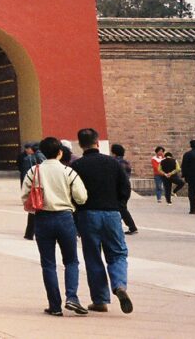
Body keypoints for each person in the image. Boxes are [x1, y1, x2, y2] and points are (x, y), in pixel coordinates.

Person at [21, 136, 89, 317]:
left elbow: (24, 197)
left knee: (48, 264)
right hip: (65, 218)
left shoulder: (33, 171)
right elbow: (82, 197)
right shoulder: (68, 171)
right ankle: (72, 297)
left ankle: (55, 305)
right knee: (71, 261)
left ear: (42, 152)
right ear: (60, 152)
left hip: (42, 220)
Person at [70, 128, 133, 314]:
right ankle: (119, 285)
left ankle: (100, 300)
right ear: (98, 142)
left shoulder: (77, 166)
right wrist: (119, 206)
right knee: (118, 253)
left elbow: (73, 194)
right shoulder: (113, 163)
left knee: (93, 257)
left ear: (80, 144)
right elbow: (125, 188)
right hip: (112, 213)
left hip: (87, 214)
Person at [109, 144, 138, 234]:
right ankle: (128, 226)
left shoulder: (113, 162)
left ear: (113, 153)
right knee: (122, 207)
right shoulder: (126, 162)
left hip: (117, 188)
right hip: (126, 187)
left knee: (120, 208)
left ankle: (131, 227)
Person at [19, 143, 39, 240]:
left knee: (33, 212)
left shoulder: (29, 159)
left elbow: (26, 174)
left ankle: (29, 234)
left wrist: (25, 200)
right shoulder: (44, 157)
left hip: (35, 188)